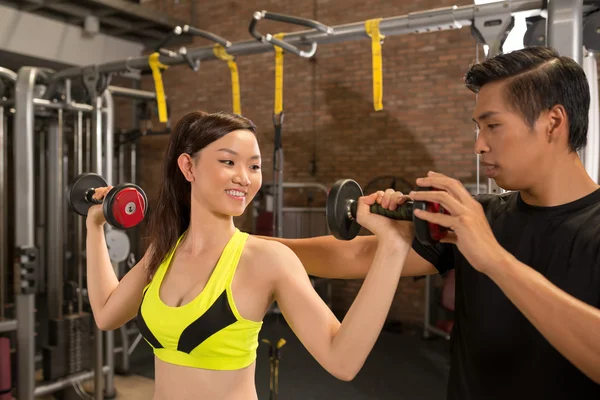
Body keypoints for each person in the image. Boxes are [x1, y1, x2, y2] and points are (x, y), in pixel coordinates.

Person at [266, 46, 600, 399]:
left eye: (493, 126)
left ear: (554, 122)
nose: (479, 145)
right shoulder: (478, 216)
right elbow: (361, 256)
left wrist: (495, 260)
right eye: (478, 128)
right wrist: (242, 244)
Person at [85, 110, 413, 400]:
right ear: (188, 167)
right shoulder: (165, 250)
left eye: (254, 166)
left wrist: (393, 247)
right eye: (228, 162)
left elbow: (342, 360)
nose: (244, 177)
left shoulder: (266, 259)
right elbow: (106, 314)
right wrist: (94, 225)